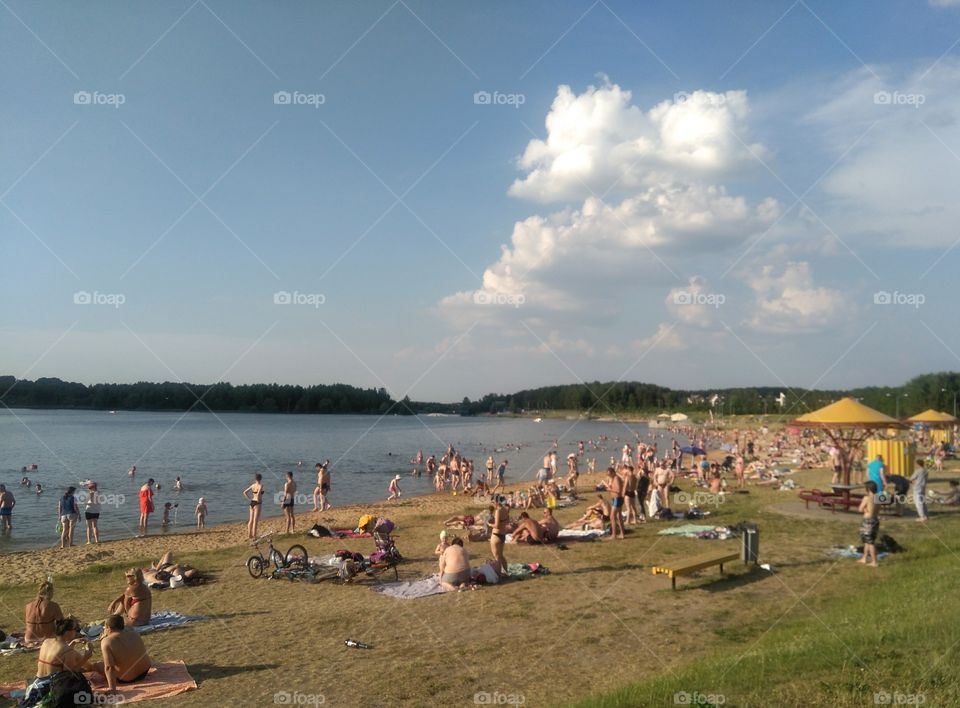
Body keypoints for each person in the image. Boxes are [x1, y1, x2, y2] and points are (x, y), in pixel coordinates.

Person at [100, 614, 152, 690]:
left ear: (109, 628)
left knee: (97, 666)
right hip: (144, 671)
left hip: (127, 678)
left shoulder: (107, 641)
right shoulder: (134, 633)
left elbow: (109, 667)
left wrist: (112, 688)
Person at [859, 481, 880, 567]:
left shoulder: (866, 498)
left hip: (868, 521)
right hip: (875, 520)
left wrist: (865, 510)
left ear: (868, 489)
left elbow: (860, 509)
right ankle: (864, 558)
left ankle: (874, 562)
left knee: (870, 542)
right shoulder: (879, 498)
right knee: (867, 541)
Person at [489, 497, 509, 577]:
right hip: (502, 534)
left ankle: (499, 574)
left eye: (493, 502)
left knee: (496, 556)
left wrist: (489, 524)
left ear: (496, 502)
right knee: (501, 555)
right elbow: (507, 521)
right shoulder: (505, 509)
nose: (492, 504)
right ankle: (506, 571)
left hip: (496, 535)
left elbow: (496, 525)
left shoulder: (498, 511)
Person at [605, 467, 625, 540]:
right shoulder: (613, 478)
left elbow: (619, 490)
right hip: (615, 498)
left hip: (617, 498)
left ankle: (614, 534)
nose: (609, 476)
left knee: (612, 516)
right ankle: (622, 534)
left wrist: (610, 489)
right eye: (608, 475)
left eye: (610, 474)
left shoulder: (616, 478)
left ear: (613, 472)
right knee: (619, 517)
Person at [243, 473, 264, 539]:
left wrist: (250, 498)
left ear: (255, 479)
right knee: (255, 520)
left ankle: (250, 535)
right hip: (257, 503)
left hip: (252, 502)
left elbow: (245, 492)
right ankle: (254, 536)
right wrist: (258, 499)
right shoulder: (260, 485)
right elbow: (258, 493)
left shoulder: (253, 485)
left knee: (250, 520)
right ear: (260, 478)